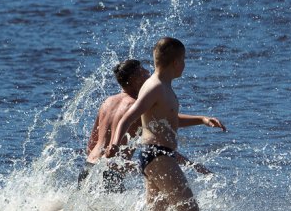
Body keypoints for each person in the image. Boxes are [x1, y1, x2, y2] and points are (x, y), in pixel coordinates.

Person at [106, 37, 226, 211]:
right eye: (184, 60)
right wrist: (115, 143)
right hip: (157, 155)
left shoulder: (163, 87)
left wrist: (201, 120)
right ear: (177, 62)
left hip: (156, 156)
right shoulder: (155, 87)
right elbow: (128, 117)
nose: (185, 64)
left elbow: (171, 120)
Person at [79, 59, 212, 193]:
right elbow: (168, 125)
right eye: (143, 72)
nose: (149, 73)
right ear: (135, 79)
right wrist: (194, 165)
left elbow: (92, 143)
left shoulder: (107, 102)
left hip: (89, 166)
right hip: (110, 172)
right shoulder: (137, 107)